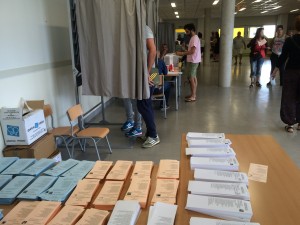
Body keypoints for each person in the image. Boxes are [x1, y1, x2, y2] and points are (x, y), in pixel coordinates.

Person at [272, 16, 300, 133]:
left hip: (291, 73)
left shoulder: (290, 40)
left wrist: (276, 69)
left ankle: (290, 124)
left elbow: (283, 57)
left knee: (289, 97)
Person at [136, 25, 160, 148]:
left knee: (144, 104)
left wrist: (147, 73)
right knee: (145, 104)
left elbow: (153, 50)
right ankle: (150, 133)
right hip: (149, 71)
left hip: (150, 72)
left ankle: (154, 136)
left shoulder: (144, 29)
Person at [176, 23, 201, 102]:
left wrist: (182, 53)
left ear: (192, 30)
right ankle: (193, 94)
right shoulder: (193, 38)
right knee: (193, 77)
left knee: (191, 78)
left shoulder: (194, 38)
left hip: (193, 60)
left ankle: (193, 96)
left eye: (187, 31)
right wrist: (184, 48)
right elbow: (191, 50)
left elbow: (192, 51)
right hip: (193, 60)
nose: (186, 33)